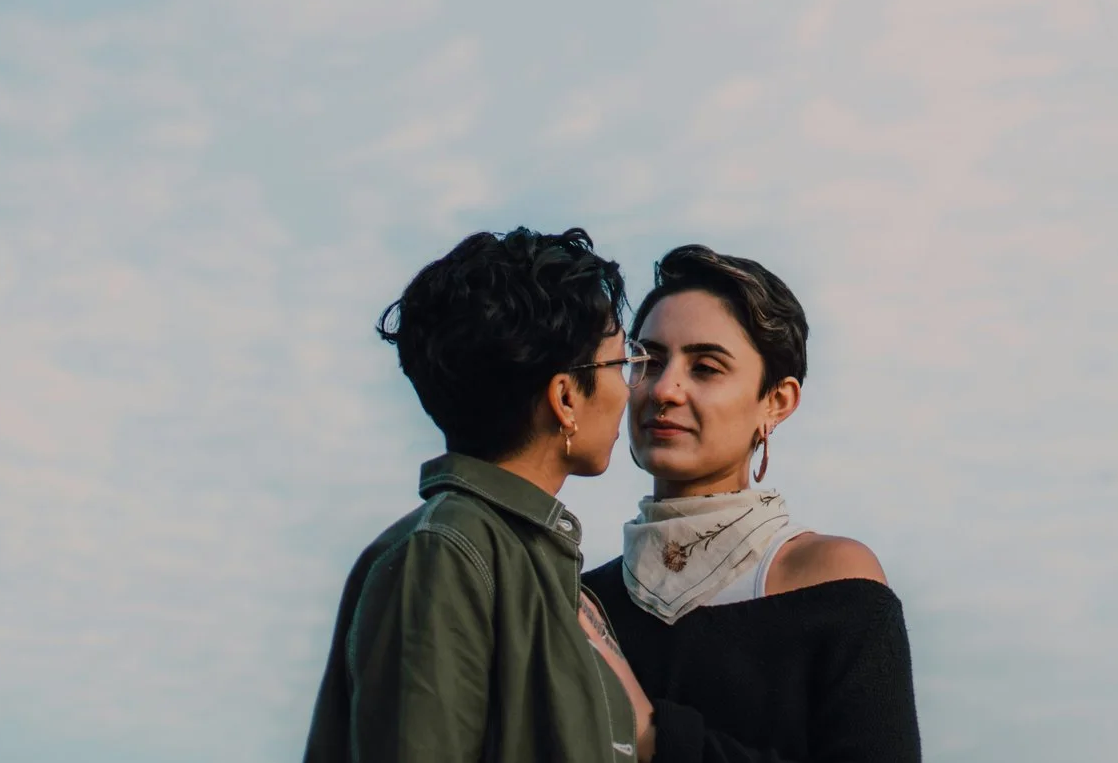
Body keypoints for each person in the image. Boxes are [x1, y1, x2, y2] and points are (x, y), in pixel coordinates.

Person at [304, 226, 647, 763]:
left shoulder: (529, 561)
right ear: (564, 398)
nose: (632, 389)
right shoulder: (448, 553)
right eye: (621, 365)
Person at [578, 245, 921, 763]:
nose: (665, 389)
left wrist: (654, 737)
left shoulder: (833, 580)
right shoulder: (581, 601)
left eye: (706, 368)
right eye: (647, 360)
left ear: (776, 401)